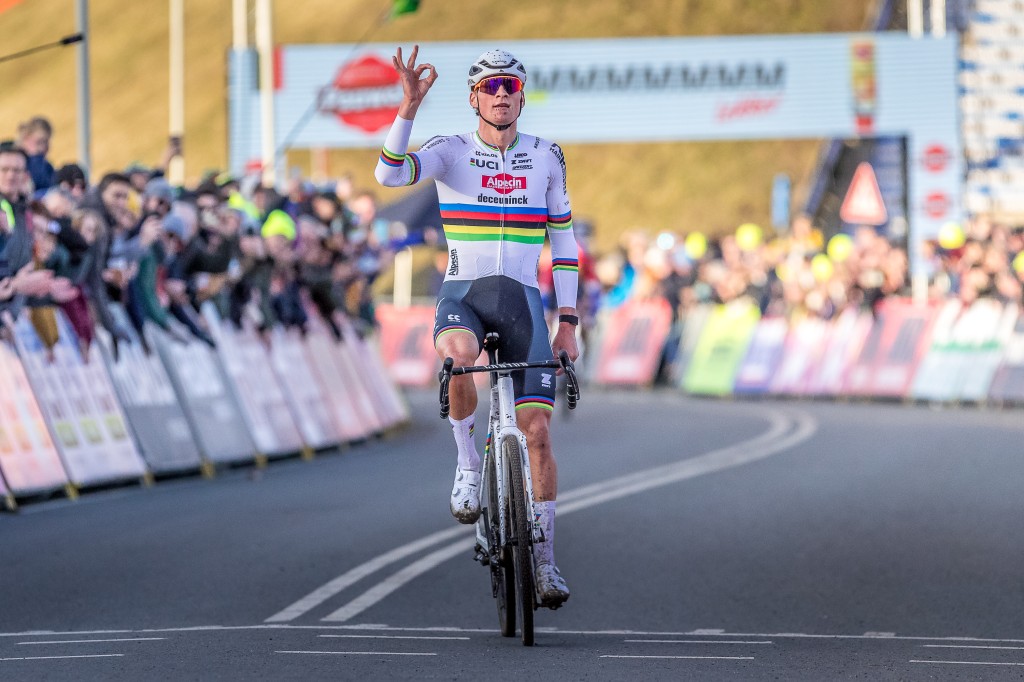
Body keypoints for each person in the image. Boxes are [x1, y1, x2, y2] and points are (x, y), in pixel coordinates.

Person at [374, 46, 580, 608]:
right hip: (463, 294)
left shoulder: (546, 156)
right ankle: (467, 463)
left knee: (538, 434)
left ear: (521, 94)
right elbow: (388, 172)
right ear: (473, 97)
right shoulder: (449, 151)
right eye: (490, 87)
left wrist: (568, 321)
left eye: (510, 85)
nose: (501, 94)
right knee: (461, 357)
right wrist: (408, 109)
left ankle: (544, 564)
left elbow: (563, 243)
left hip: (523, 303)